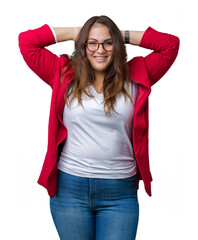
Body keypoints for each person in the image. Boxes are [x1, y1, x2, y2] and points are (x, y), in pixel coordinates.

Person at [18, 15, 180, 240]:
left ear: (116, 45)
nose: (99, 50)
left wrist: (119, 35)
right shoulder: (64, 73)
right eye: (91, 43)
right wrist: (77, 31)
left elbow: (170, 45)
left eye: (107, 43)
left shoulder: (137, 74)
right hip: (70, 189)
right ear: (83, 45)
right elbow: (27, 42)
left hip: (120, 193)